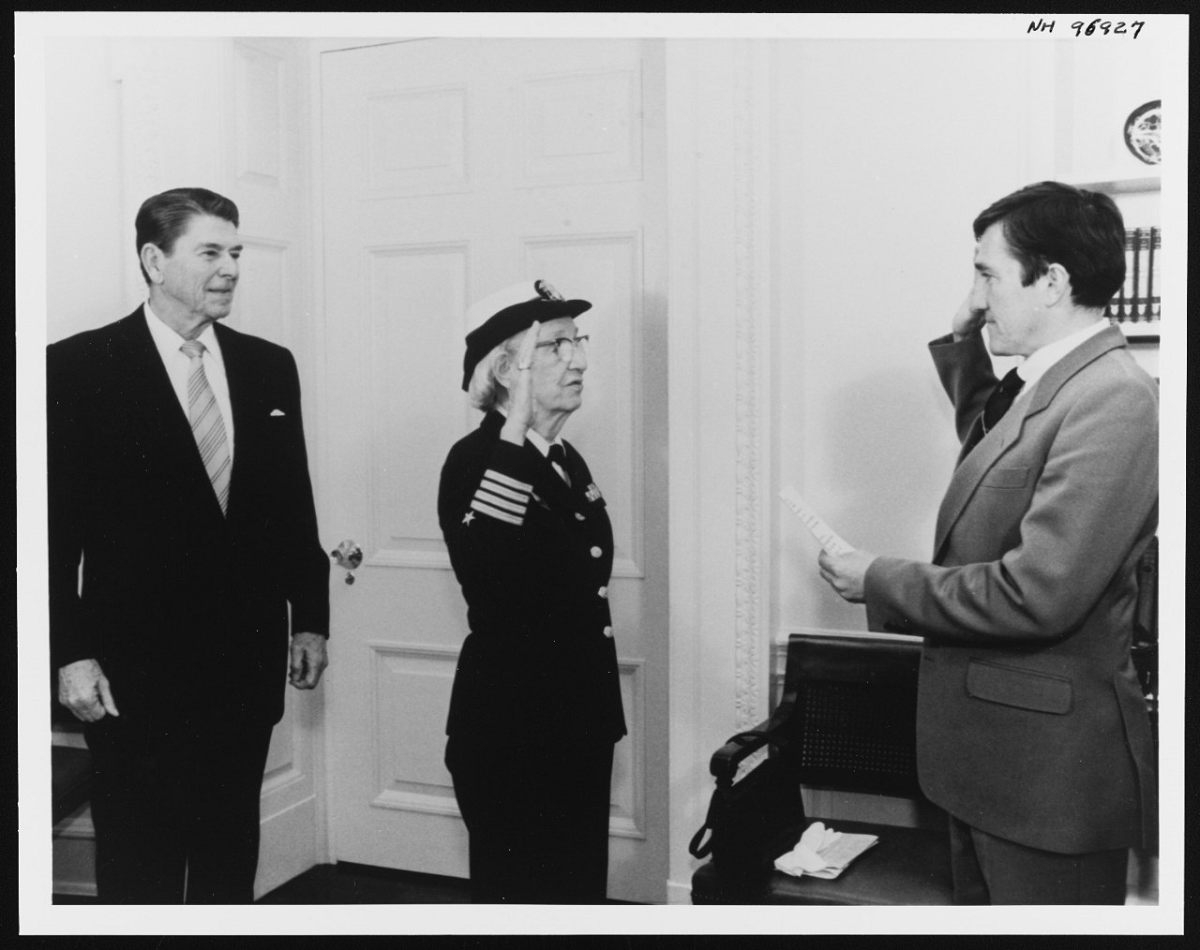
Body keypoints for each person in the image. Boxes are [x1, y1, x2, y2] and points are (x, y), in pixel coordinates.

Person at [818, 181, 1158, 905]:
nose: (977, 293)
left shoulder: (1115, 398)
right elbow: (993, 444)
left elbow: (1039, 594)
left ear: (1053, 282)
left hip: (1048, 787)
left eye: (988, 274)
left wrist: (878, 578)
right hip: (996, 772)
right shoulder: (1056, 387)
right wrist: (966, 329)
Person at [47, 187, 331, 903]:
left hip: (243, 663)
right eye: (210, 252)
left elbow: (292, 505)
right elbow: (52, 532)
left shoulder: (270, 366)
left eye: (237, 252)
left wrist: (314, 618)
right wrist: (69, 653)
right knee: (139, 860)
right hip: (133, 674)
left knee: (227, 854)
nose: (231, 268)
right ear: (154, 259)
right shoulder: (77, 369)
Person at [437, 279, 626, 903]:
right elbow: (490, 567)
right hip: (512, 731)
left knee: (575, 894)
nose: (579, 358)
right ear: (505, 370)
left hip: (575, 718)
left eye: (577, 341)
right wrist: (515, 422)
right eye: (553, 346)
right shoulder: (475, 461)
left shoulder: (563, 457)